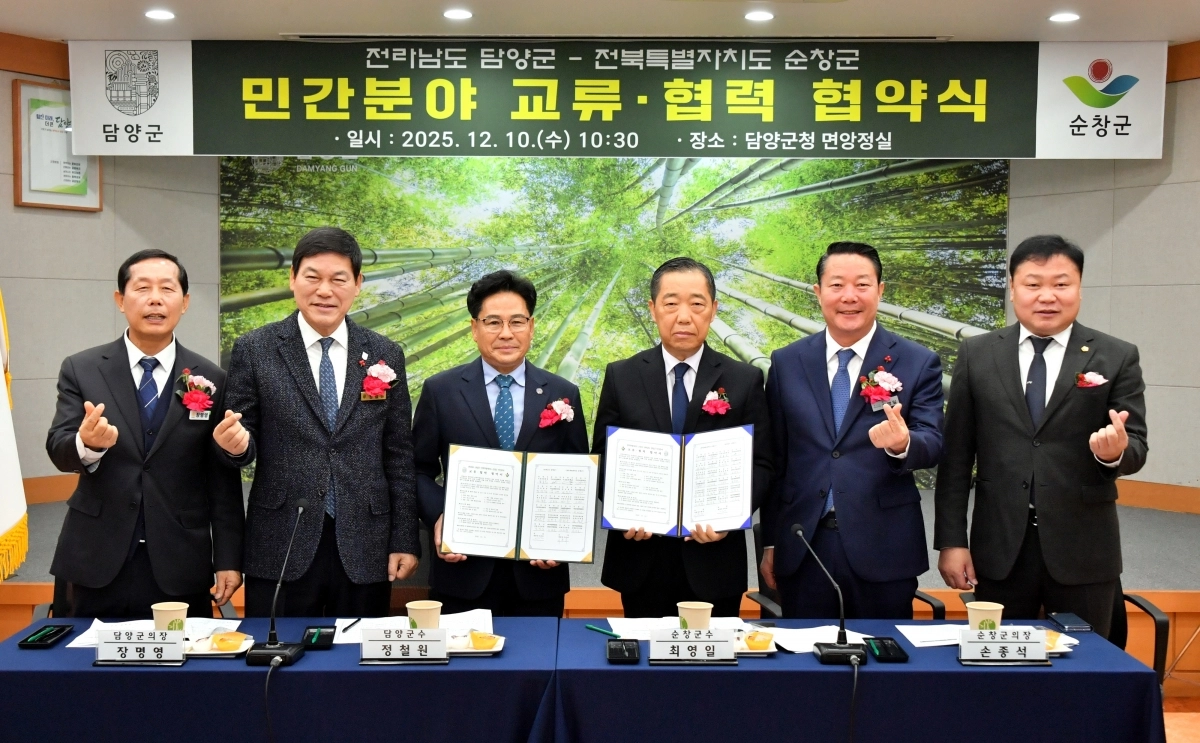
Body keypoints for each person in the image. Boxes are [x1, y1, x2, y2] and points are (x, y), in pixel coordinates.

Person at [935, 235, 1148, 638]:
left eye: (1061, 284)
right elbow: (956, 457)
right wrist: (952, 541)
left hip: (1084, 549)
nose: (1047, 296)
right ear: (1013, 288)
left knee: (1086, 663)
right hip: (999, 548)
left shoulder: (1116, 355)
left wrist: (1113, 453)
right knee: (998, 660)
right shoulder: (977, 354)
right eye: (1033, 284)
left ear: (1079, 288)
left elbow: (1136, 444)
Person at [213, 227, 419, 618]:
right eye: (312, 277)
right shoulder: (255, 349)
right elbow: (242, 439)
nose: (325, 290)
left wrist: (404, 538)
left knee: (358, 650)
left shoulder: (384, 353)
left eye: (338, 279)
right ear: (292, 278)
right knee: (276, 649)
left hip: (365, 541)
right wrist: (235, 446)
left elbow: (399, 454)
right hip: (281, 539)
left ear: (357, 284)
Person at [46, 249, 243, 618]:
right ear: (121, 300)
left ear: (184, 302)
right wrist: (87, 444)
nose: (155, 299)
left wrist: (228, 559)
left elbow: (221, 480)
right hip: (95, 556)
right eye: (142, 288)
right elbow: (58, 447)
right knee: (88, 653)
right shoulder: (82, 368)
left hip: (180, 558)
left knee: (182, 654)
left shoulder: (211, 378)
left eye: (167, 289)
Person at [760, 242, 944, 620]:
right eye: (836, 285)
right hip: (804, 545)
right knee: (803, 653)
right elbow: (777, 459)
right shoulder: (787, 361)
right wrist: (771, 543)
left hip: (884, 546)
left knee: (883, 652)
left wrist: (903, 443)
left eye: (862, 285)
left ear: (880, 290)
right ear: (818, 292)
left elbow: (933, 440)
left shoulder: (917, 360)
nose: (849, 296)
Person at [592, 257, 772, 619]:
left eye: (697, 303)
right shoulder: (622, 376)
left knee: (713, 653)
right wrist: (624, 513)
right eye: (671, 303)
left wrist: (730, 519)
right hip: (640, 558)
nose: (684, 316)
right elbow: (602, 458)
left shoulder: (744, 379)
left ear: (714, 310)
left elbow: (763, 463)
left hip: (714, 557)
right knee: (644, 653)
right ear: (653, 309)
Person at [412, 270, 589, 617]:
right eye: (493, 322)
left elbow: (578, 474)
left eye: (517, 322)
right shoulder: (441, 390)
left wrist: (561, 536)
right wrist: (442, 516)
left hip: (539, 572)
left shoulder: (563, 393)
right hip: (463, 568)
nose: (506, 333)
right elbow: (418, 469)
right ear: (474, 328)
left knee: (538, 654)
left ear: (531, 327)